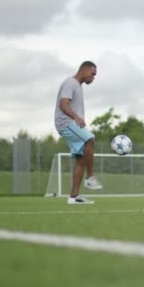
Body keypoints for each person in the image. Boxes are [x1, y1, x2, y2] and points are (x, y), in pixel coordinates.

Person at [54, 61, 103, 204]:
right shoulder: (71, 82)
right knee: (90, 139)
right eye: (92, 74)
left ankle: (73, 197)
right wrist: (76, 117)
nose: (93, 78)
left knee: (81, 159)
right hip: (66, 123)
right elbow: (63, 104)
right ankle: (90, 178)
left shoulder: (78, 86)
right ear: (84, 70)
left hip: (72, 124)